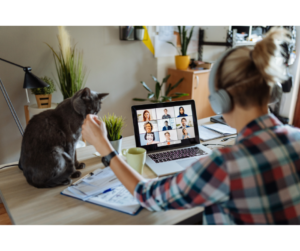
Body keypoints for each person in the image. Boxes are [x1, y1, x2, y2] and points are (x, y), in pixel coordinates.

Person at [82, 28, 300, 224]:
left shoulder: (225, 165)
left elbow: (148, 196)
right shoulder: (296, 138)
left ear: (221, 100)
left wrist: (106, 148)